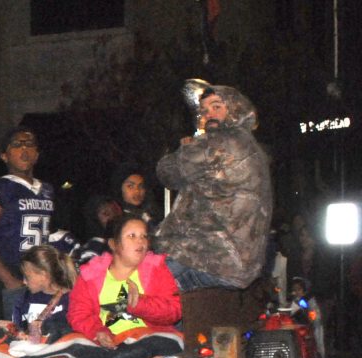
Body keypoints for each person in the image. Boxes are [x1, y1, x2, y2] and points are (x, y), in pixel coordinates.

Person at [153, 80, 273, 291]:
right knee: (166, 296)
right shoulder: (252, 146)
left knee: (139, 285)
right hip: (240, 264)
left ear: (235, 108)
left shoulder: (219, 142)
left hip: (207, 256)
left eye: (216, 106)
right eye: (204, 110)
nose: (209, 114)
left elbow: (167, 172)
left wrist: (186, 148)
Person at [0, 126, 58, 321]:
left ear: (37, 154)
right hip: (9, 272)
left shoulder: (47, 190)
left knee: (42, 332)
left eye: (29, 144)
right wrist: (9, 280)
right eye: (17, 145)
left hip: (41, 274)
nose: (24, 149)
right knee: (11, 334)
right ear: (5, 155)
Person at [68, 216, 181, 348]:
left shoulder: (156, 269)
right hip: (110, 348)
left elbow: (174, 311)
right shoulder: (90, 275)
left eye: (144, 236)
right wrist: (97, 331)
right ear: (113, 244)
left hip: (152, 342)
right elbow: (79, 315)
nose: (140, 241)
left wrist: (141, 304)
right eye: (132, 236)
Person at [75, 194, 124, 266]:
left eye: (115, 212)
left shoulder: (129, 240)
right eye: (106, 213)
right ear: (95, 219)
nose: (112, 217)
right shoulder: (92, 249)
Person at [110, 164, 160, 231]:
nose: (137, 191)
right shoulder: (115, 219)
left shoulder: (151, 214)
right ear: (120, 189)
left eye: (141, 186)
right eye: (130, 186)